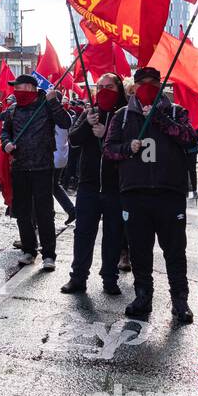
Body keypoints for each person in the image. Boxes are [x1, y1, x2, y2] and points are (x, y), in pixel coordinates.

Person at [103, 67, 197, 323]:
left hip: (170, 194)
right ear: (134, 86)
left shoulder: (176, 112)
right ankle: (143, 296)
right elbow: (109, 150)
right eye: (141, 82)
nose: (146, 86)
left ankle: (180, 301)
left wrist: (160, 119)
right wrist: (126, 148)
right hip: (135, 194)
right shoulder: (122, 116)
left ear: (160, 84)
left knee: (175, 251)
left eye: (152, 82)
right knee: (139, 251)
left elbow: (189, 138)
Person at [62, 72, 126, 296]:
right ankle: (78, 277)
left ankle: (110, 278)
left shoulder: (125, 115)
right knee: (83, 233)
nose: (103, 90)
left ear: (119, 89)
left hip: (115, 186)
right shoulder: (90, 112)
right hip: (88, 184)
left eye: (109, 86)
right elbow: (73, 139)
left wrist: (107, 133)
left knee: (113, 234)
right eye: (100, 86)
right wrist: (87, 126)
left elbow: (131, 145)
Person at [1, 74, 71, 270]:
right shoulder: (12, 110)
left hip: (43, 167)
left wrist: (54, 102)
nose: (16, 91)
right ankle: (29, 250)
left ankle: (49, 255)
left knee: (44, 213)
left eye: (19, 87)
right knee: (22, 212)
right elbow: (5, 132)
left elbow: (65, 122)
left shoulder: (46, 106)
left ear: (32, 88)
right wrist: (6, 143)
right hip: (20, 167)